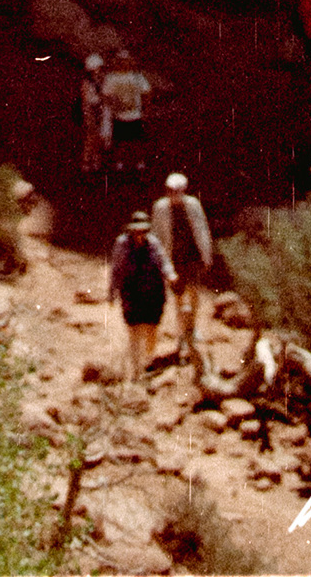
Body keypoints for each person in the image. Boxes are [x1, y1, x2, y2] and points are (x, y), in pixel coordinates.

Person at [152, 170, 214, 371]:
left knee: (194, 295)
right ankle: (182, 335)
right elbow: (157, 236)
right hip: (174, 260)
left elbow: (202, 230)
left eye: (177, 190)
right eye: (170, 190)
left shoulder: (193, 205)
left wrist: (207, 256)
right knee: (179, 299)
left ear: (184, 190)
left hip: (193, 258)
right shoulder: (160, 208)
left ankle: (191, 327)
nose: (173, 194)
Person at [108, 206, 174, 383]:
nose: (140, 234)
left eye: (143, 231)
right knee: (134, 331)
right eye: (136, 231)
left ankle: (148, 361)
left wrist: (171, 275)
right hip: (132, 291)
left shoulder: (153, 243)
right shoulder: (122, 244)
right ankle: (137, 371)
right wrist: (111, 292)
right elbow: (116, 269)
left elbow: (164, 261)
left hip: (153, 291)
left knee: (152, 328)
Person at [101, 46, 151, 179]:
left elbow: (146, 92)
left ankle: (139, 163)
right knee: (119, 141)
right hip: (119, 115)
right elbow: (106, 95)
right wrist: (113, 106)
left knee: (137, 140)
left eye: (126, 60)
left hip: (135, 114)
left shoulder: (136, 77)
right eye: (121, 61)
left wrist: (146, 110)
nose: (124, 63)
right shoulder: (112, 78)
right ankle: (120, 163)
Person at [79, 49, 109, 174]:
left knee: (99, 136)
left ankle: (96, 160)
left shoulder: (102, 81)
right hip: (91, 109)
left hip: (100, 108)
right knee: (90, 136)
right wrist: (88, 115)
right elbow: (86, 100)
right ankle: (86, 161)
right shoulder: (87, 83)